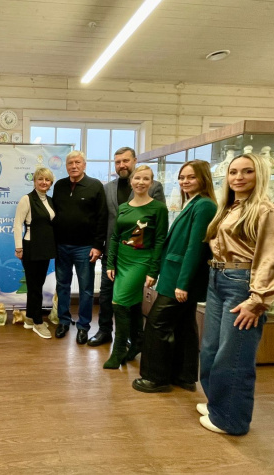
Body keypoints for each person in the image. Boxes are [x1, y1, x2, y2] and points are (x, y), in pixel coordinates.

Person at [198, 153, 274, 435]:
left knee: (234, 354)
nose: (238, 177)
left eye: (247, 171)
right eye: (233, 172)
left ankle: (231, 420)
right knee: (210, 349)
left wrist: (257, 300)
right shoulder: (228, 207)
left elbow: (268, 258)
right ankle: (217, 404)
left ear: (259, 174)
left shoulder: (266, 211)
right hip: (217, 279)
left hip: (241, 284)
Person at [132, 160, 217, 393]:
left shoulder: (204, 205)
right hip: (175, 274)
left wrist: (183, 284)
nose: (184, 181)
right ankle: (184, 376)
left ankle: (155, 378)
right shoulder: (194, 202)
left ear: (203, 178)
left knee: (157, 324)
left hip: (179, 278)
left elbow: (195, 248)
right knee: (184, 326)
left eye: (191, 177)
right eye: (182, 177)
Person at [89, 147, 166, 347]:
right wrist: (99, 245)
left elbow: (158, 227)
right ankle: (105, 331)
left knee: (132, 297)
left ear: (135, 161)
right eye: (117, 162)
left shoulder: (153, 187)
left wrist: (153, 263)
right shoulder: (108, 188)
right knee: (106, 294)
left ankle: (134, 336)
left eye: (125, 161)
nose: (122, 165)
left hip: (138, 255)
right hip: (112, 251)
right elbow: (102, 219)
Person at [104, 165, 168, 369]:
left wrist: (154, 270)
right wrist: (110, 262)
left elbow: (160, 240)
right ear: (131, 181)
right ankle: (138, 341)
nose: (141, 182)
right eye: (137, 178)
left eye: (146, 179)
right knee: (131, 303)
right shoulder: (124, 207)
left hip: (141, 260)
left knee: (119, 302)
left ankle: (119, 350)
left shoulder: (158, 208)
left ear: (152, 182)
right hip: (122, 259)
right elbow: (115, 236)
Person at [51, 151, 107, 344]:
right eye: (70, 163)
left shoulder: (95, 186)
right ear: (66, 166)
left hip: (85, 248)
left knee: (86, 289)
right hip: (62, 246)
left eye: (77, 162)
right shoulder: (59, 186)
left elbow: (102, 217)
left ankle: (83, 327)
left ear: (84, 165)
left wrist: (98, 246)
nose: (73, 166)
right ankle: (64, 321)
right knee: (62, 286)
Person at [13, 167, 56, 339]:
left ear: (51, 183)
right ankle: (38, 323)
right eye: (40, 179)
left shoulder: (50, 201)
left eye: (47, 179)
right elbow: (17, 224)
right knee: (35, 286)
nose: (44, 182)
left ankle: (30, 318)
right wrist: (19, 248)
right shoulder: (27, 199)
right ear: (34, 181)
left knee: (37, 285)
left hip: (45, 247)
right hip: (31, 247)